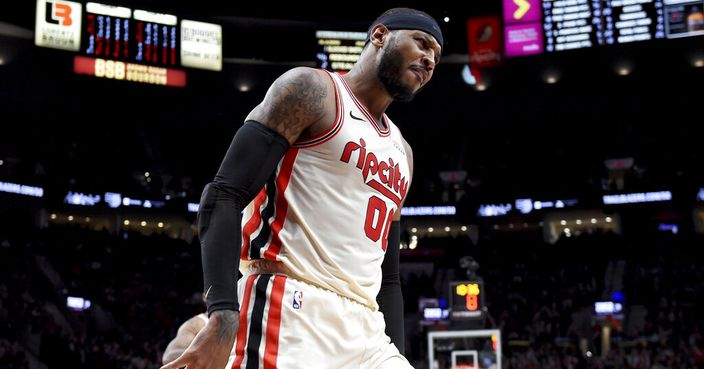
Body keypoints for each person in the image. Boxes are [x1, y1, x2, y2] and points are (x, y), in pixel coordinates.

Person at [161, 7, 442, 369]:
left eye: (436, 55)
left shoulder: (403, 152)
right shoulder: (313, 91)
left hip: (367, 328)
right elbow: (223, 194)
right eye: (421, 43)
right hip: (292, 305)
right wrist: (223, 314)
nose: (429, 59)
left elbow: (388, 276)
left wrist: (396, 353)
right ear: (379, 36)